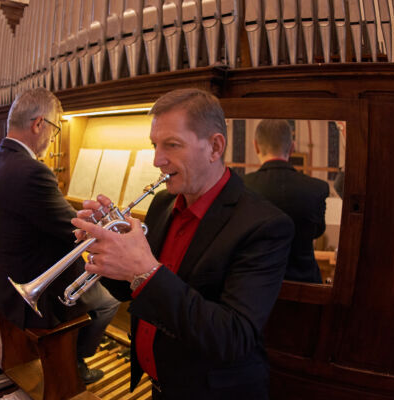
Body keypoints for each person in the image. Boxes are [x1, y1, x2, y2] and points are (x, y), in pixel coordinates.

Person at [72, 89, 294, 399]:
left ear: (215, 147)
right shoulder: (162, 204)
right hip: (159, 387)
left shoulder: (264, 225)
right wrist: (106, 251)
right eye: (155, 145)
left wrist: (145, 270)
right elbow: (134, 290)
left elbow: (233, 337)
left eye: (172, 145)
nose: (157, 160)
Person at [0, 88, 119, 384]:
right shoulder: (32, 171)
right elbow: (74, 230)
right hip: (34, 290)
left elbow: (41, 217)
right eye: (54, 129)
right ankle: (75, 363)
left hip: (4, 279)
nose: (53, 138)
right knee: (110, 302)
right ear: (38, 124)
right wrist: (105, 222)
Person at [243, 119, 329, 283]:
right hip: (304, 282)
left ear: (256, 146)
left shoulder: (243, 186)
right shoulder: (317, 188)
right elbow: (317, 231)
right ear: (292, 148)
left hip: (258, 283)